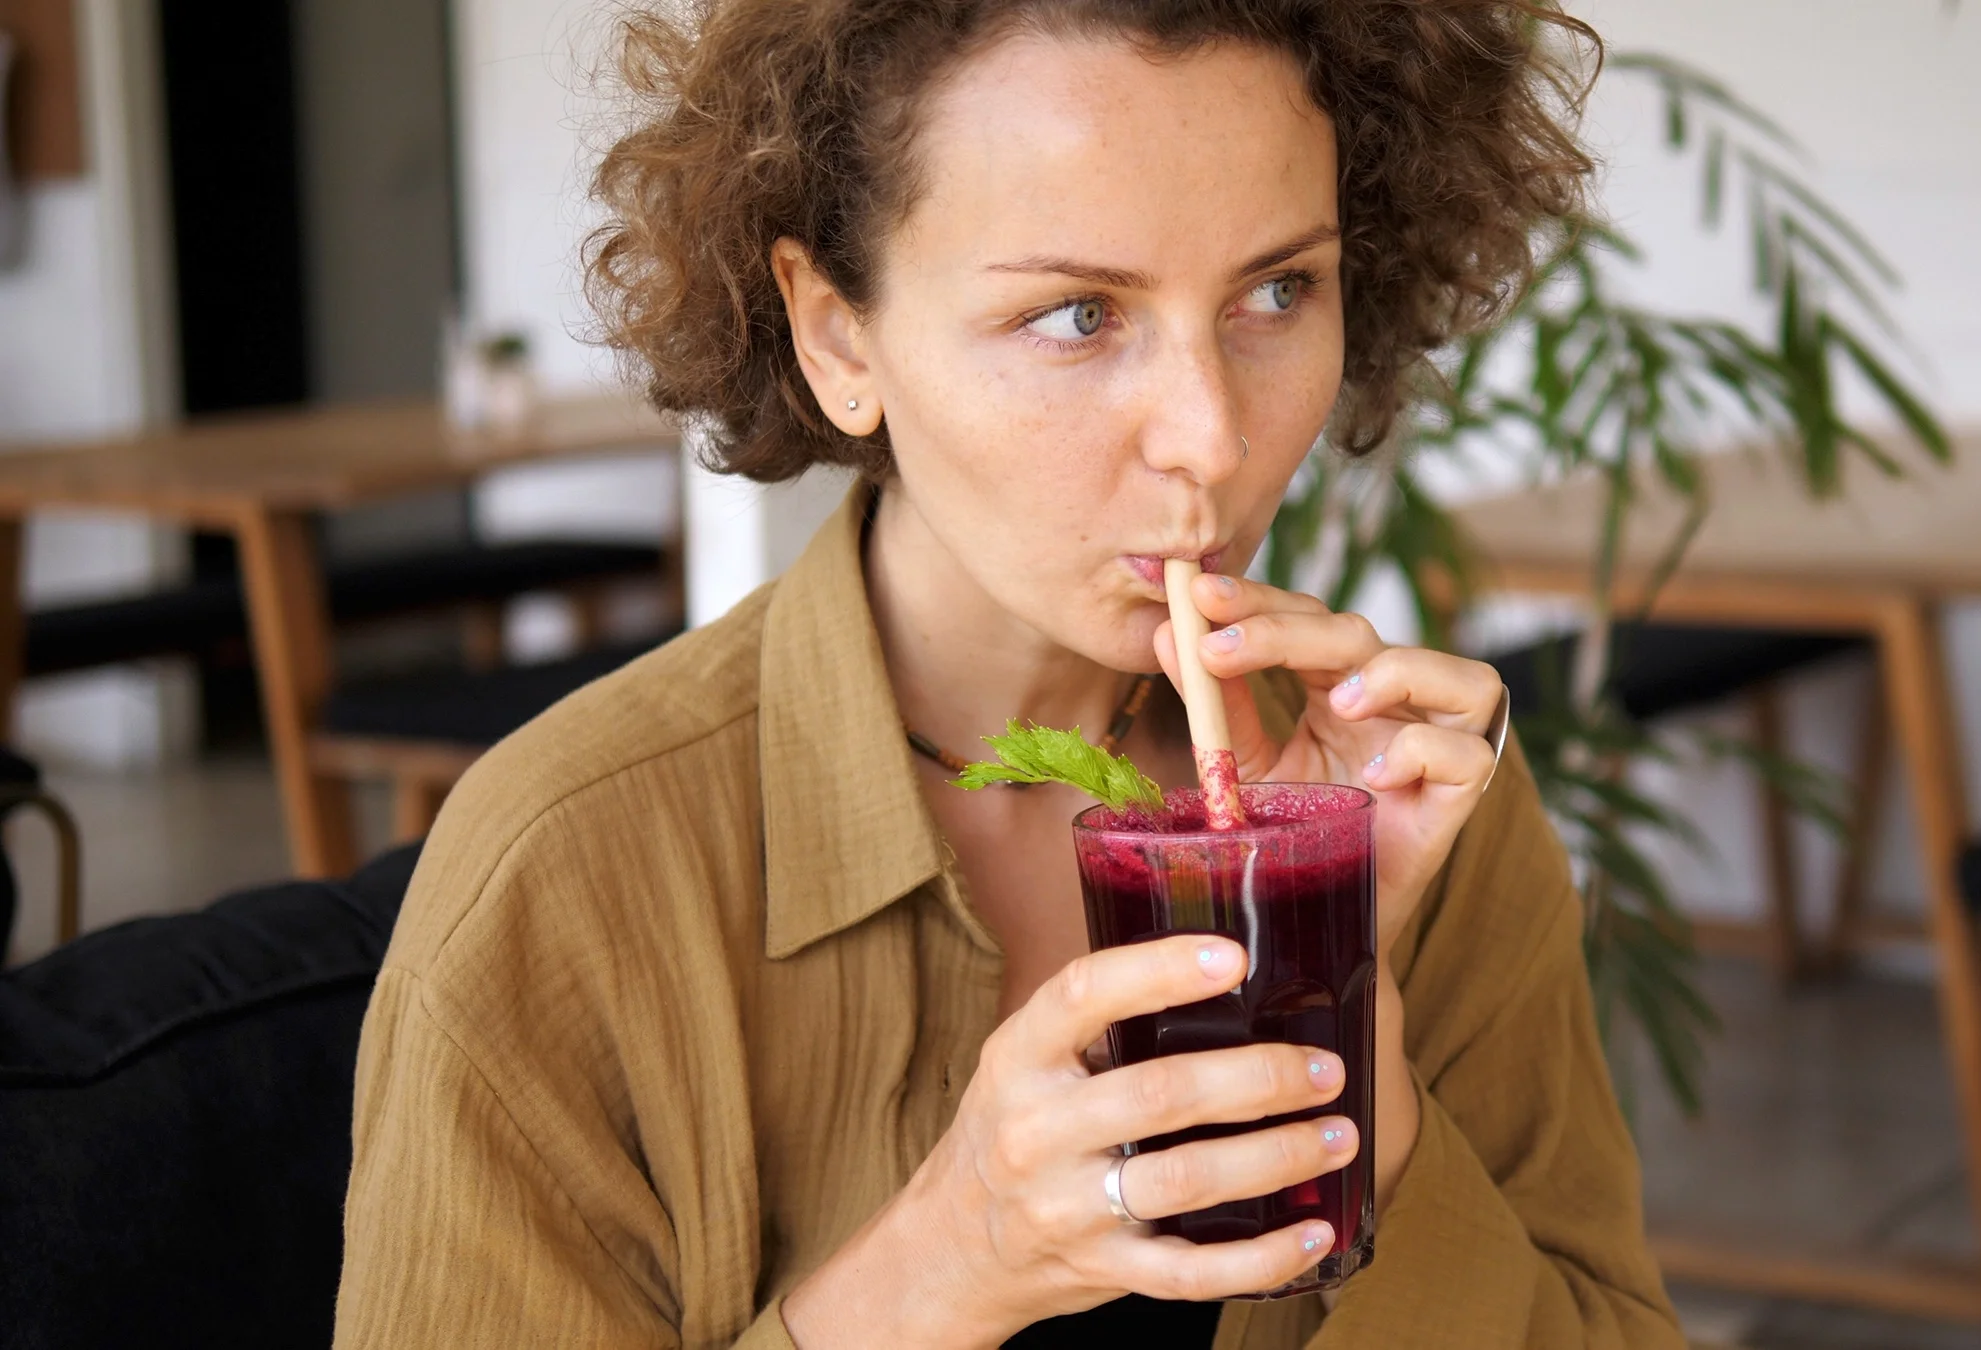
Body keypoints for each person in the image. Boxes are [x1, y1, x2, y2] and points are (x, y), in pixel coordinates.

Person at [333, 2, 1682, 1346]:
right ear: (836, 336)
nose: (1209, 436)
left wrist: (1371, 1126)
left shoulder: (1406, 808)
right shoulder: (564, 873)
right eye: (1078, 315)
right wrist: (943, 1265)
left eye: (1279, 290)